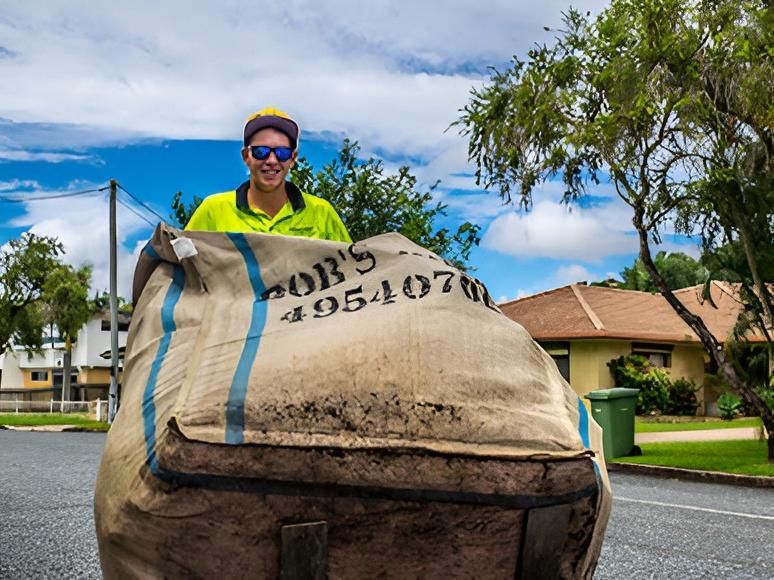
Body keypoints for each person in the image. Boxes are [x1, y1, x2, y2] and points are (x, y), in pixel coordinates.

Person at [185, 107, 352, 242]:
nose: (272, 160)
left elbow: (354, 270)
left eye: (282, 153)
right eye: (261, 151)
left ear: (292, 159)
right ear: (246, 156)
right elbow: (181, 268)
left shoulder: (322, 213)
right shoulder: (213, 211)